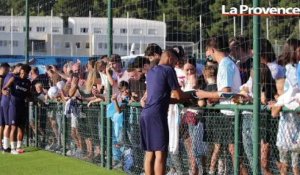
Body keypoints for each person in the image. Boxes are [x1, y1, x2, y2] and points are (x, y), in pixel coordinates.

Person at [195, 35, 248, 174]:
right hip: (229, 113)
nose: (206, 54)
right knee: (232, 152)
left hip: (231, 114)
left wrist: (205, 94)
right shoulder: (226, 63)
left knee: (235, 152)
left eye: (206, 50)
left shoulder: (225, 64)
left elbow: (226, 92)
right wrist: (214, 98)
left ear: (212, 50)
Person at [140, 49, 189, 175]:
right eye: (175, 62)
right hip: (157, 115)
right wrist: (191, 96)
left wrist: (172, 100)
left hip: (146, 114)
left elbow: (159, 96)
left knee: (150, 152)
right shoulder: (168, 70)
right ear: (170, 58)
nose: (175, 65)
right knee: (161, 154)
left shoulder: (151, 72)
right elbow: (178, 95)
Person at [2, 64, 32, 154]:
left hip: (23, 106)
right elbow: (4, 88)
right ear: (20, 71)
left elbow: (28, 94)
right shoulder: (14, 78)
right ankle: (12, 149)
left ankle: (19, 147)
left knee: (21, 128)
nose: (22, 75)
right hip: (13, 106)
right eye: (21, 73)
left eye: (25, 74)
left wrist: (32, 98)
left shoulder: (28, 82)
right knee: (13, 127)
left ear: (27, 74)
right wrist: (4, 91)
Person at [0, 63, 10, 151]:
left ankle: (2, 143)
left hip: (3, 103)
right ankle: (0, 144)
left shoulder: (4, 78)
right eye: (7, 70)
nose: (8, 72)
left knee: (2, 124)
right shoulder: (1, 78)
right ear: (3, 69)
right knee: (2, 124)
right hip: (1, 104)